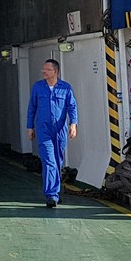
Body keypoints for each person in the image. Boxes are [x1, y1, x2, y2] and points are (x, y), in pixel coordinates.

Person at [26, 58, 78, 208]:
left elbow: (72, 107)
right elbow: (32, 108)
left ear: (55, 72)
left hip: (60, 130)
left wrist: (73, 124)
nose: (43, 71)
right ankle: (51, 195)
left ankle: (55, 191)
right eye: (43, 69)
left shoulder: (66, 88)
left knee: (57, 161)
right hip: (44, 130)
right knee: (49, 161)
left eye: (47, 69)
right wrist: (30, 127)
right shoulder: (38, 87)